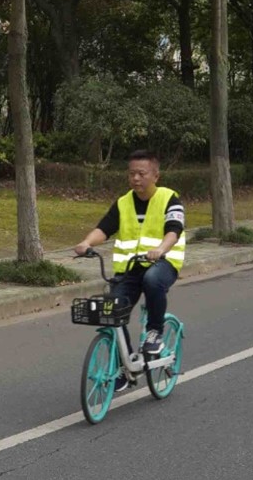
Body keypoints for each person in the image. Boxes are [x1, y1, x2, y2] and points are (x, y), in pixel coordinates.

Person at [72, 150, 186, 364]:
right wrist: (86, 243)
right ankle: (124, 367)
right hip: (129, 269)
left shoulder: (170, 198)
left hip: (163, 263)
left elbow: (174, 229)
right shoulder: (123, 203)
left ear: (155, 176)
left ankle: (155, 332)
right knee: (112, 310)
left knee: (152, 280)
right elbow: (105, 228)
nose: (135, 178)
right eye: (132, 174)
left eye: (141, 174)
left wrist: (161, 249)